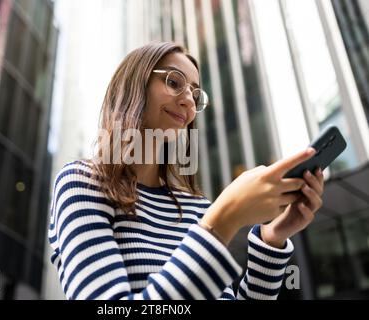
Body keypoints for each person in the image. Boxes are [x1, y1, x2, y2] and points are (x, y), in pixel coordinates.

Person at [48, 41, 324, 300]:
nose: (189, 103)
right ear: (133, 86)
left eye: (195, 94)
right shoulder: (82, 184)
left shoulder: (196, 208)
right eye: (174, 82)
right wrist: (222, 220)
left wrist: (272, 240)